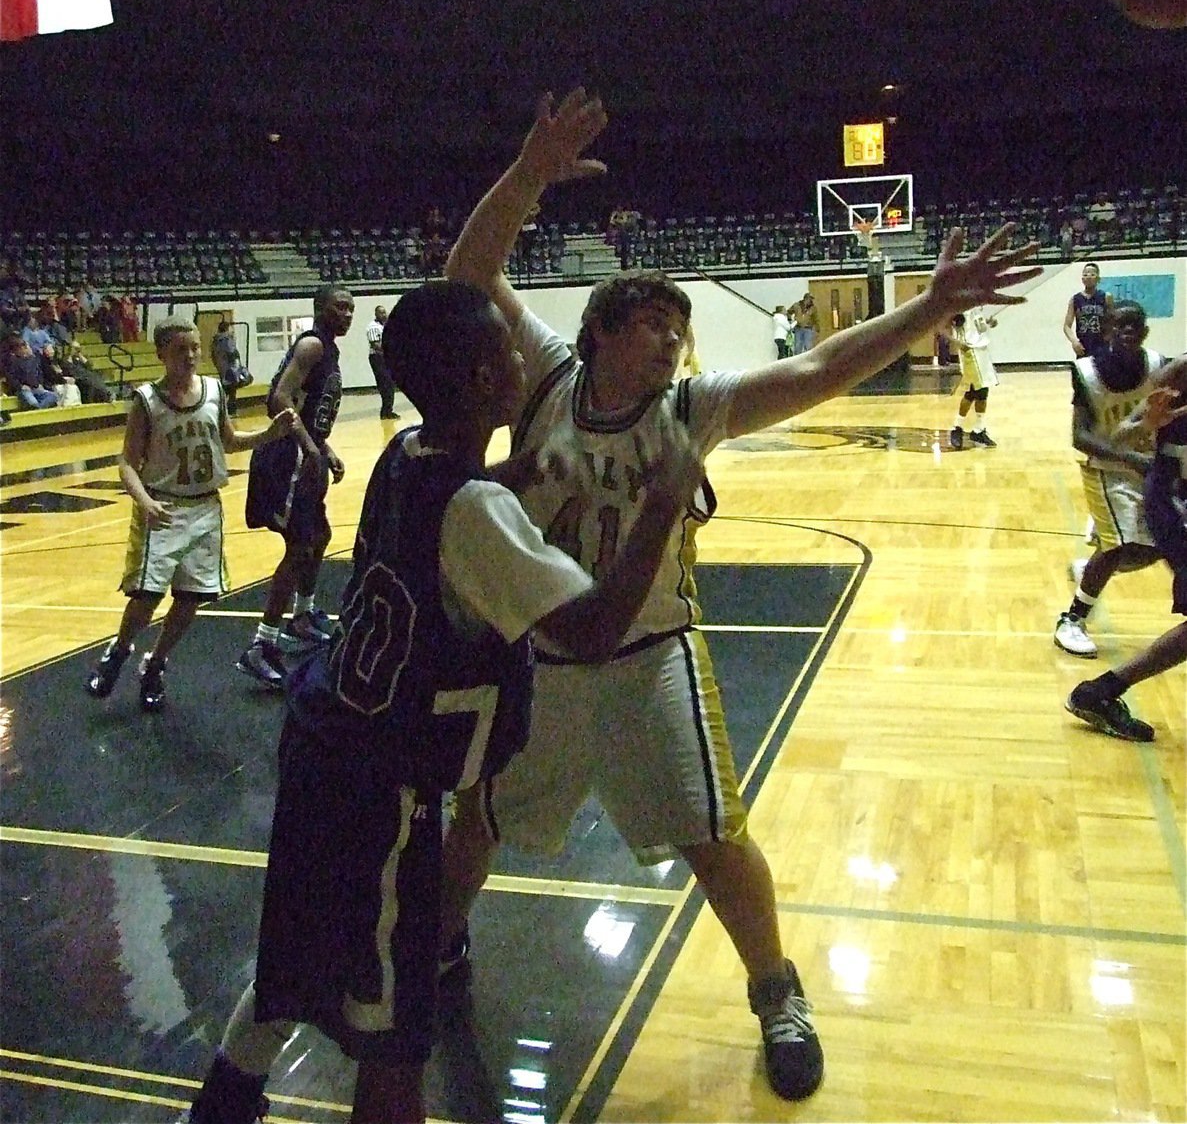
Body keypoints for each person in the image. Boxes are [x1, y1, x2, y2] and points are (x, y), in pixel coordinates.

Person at [439, 87, 1040, 1103]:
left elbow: (819, 365)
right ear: (595, 333)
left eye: (678, 326)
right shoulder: (542, 374)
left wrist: (931, 307)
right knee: (478, 817)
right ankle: (439, 950)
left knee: (715, 835)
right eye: (648, 324)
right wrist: (528, 173)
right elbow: (468, 276)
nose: (670, 341)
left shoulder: (692, 407)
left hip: (649, 656)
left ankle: (776, 993)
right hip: (539, 658)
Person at [180, 280, 705, 1124]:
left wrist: (520, 469)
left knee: (296, 955)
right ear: (480, 381)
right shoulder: (477, 511)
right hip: (384, 791)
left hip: (323, 746)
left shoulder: (407, 455)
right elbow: (596, 629)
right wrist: (664, 505)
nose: (519, 360)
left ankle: (224, 1101)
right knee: (394, 1036)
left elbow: (453, 505)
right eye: (504, 350)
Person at [84, 318, 294, 712]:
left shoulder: (214, 390)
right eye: (182, 349)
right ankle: (119, 651)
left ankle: (156, 665)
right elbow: (127, 464)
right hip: (162, 507)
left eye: (196, 348)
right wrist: (145, 502)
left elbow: (229, 441)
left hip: (205, 508)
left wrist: (270, 434)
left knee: (190, 598)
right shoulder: (146, 400)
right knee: (146, 595)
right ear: (162, 354)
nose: (192, 356)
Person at [237, 285, 353, 688]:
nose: (348, 314)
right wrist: (309, 447)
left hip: (307, 454)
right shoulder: (311, 346)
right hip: (286, 458)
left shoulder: (329, 349)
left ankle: (303, 616)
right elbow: (279, 397)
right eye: (341, 307)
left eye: (352, 308)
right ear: (321, 309)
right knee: (300, 545)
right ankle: (261, 645)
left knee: (320, 536)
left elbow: (306, 406)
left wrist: (325, 448)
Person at [1066, 356, 1187, 741]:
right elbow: (1117, 435)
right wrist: (1150, 424)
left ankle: (1099, 693)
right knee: (1125, 550)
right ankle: (1098, 688)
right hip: (1174, 504)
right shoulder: (1179, 370)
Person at [1054, 302, 1167, 660]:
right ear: (1106, 331)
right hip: (1106, 469)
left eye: (1135, 325)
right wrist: (1130, 457)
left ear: (1145, 332)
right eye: (1119, 326)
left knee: (1154, 547)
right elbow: (1079, 436)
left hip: (1148, 468)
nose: (1127, 331)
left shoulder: (1158, 366)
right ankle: (1071, 620)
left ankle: (1092, 567)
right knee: (1118, 548)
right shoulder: (1086, 372)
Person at [946, 307, 999, 449]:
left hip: (982, 349)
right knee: (974, 391)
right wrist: (956, 342)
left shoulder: (977, 300)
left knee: (983, 391)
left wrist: (988, 323)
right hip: (970, 350)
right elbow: (945, 325)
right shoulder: (959, 300)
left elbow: (976, 323)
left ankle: (979, 429)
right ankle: (957, 427)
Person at [1062, 261, 1114, 359]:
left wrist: (1109, 338)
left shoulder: (1106, 297)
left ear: (1098, 278)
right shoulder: (1075, 299)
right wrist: (1074, 341)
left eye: (1092, 274)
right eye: (1085, 274)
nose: (1088, 276)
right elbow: (1066, 326)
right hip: (1083, 346)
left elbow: (1114, 321)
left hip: (1101, 345)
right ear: (1082, 279)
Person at [2, 338, 59, 408]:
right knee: (33, 403)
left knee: (53, 396)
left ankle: (39, 409)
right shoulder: (12, 362)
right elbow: (11, 378)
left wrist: (39, 383)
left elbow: (39, 373)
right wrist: (21, 386)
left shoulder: (34, 359)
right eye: (24, 348)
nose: (26, 349)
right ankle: (38, 409)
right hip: (24, 390)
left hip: (36, 388)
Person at [210, 320, 251, 417]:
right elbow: (232, 352)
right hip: (231, 368)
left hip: (222, 368)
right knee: (232, 390)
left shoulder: (216, 341)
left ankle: (226, 410)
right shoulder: (227, 339)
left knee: (227, 389)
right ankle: (230, 411)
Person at [366, 304, 399, 419]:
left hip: (385, 357)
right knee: (385, 384)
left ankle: (388, 410)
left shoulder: (385, 325)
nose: (384, 314)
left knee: (390, 384)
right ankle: (385, 411)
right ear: (376, 314)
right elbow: (376, 345)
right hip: (377, 358)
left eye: (385, 312)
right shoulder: (373, 327)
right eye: (381, 313)